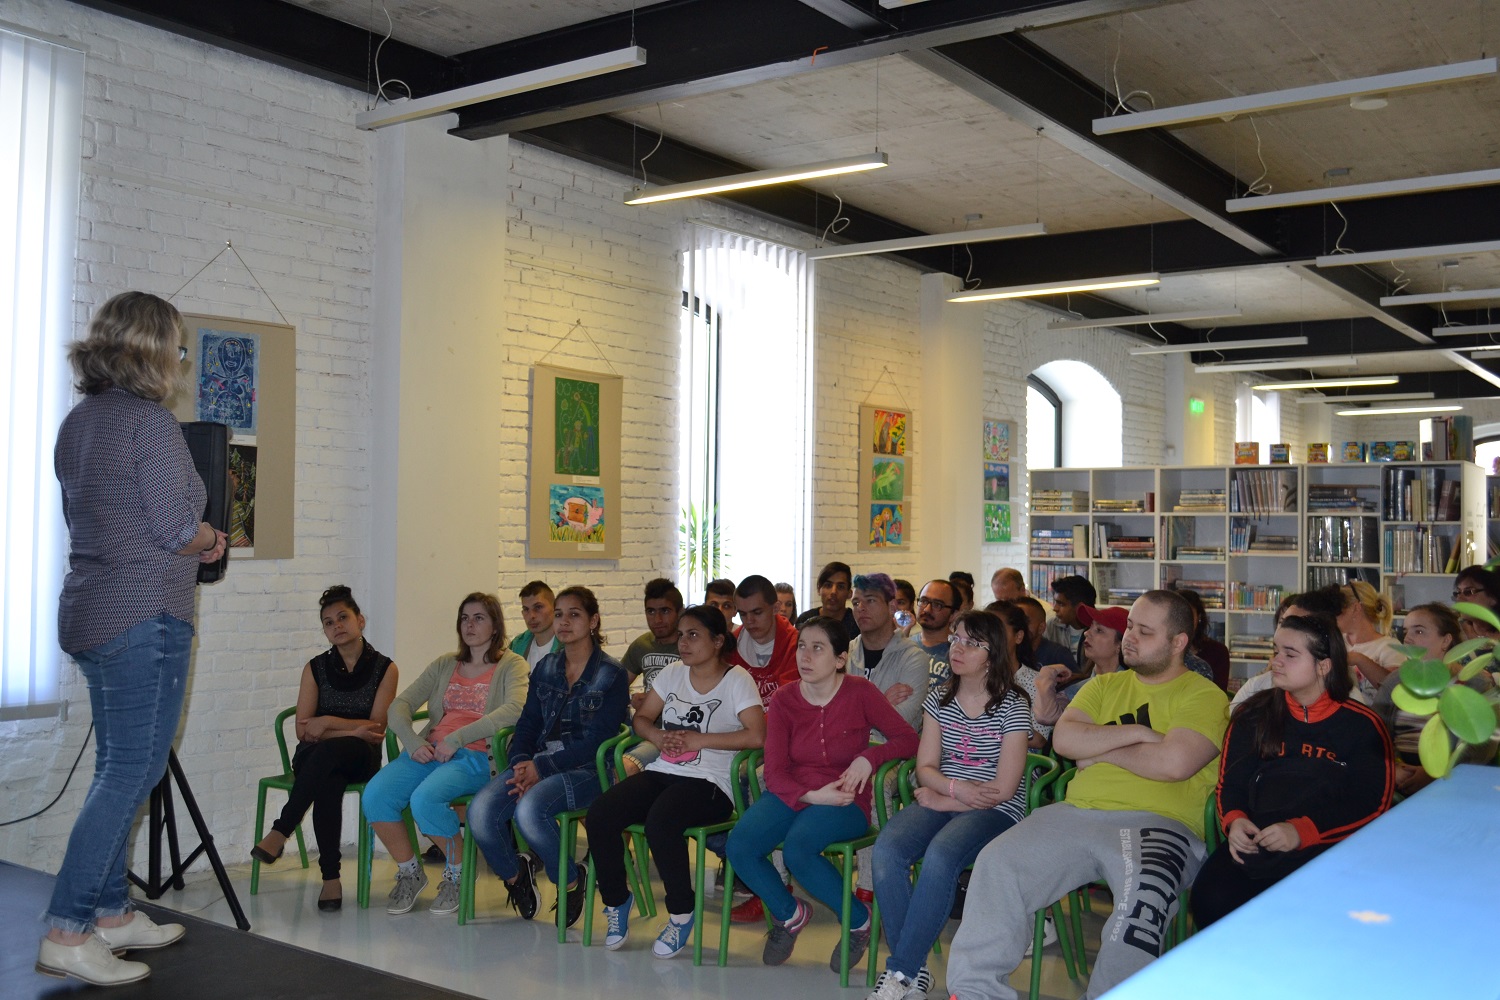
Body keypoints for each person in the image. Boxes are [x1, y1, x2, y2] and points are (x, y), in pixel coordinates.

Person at [39, 292, 228, 986]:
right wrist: (212, 538)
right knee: (129, 774)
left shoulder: (79, 421)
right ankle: (67, 930)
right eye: (176, 345)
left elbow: (99, 517)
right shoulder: (149, 423)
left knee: (117, 767)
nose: (180, 358)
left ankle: (113, 912)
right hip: (143, 615)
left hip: (90, 612)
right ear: (151, 350)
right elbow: (176, 528)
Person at [945, 590, 1229, 1000]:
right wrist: (1140, 734)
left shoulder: (1205, 696)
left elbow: (1174, 764)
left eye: (1145, 631)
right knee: (997, 862)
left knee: (1140, 905)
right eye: (1130, 626)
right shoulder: (1104, 685)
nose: (1130, 637)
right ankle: (974, 992)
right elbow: (1065, 740)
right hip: (1076, 813)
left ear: (1178, 642)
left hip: (1162, 824)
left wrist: (1098, 750)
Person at [725, 617, 919, 969]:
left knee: (799, 849)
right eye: (802, 646)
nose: (805, 656)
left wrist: (868, 758)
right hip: (795, 793)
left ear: (840, 659)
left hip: (846, 795)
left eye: (818, 648)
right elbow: (774, 772)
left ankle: (859, 921)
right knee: (739, 845)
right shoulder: (784, 699)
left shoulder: (860, 692)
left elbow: (908, 740)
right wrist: (812, 795)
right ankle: (789, 913)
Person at [868, 611, 1033, 1000]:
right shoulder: (939, 698)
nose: (957, 648)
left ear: (992, 655)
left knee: (941, 855)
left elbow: (1004, 788)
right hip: (953, 794)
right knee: (887, 849)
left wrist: (946, 799)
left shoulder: (1013, 704)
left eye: (972, 643)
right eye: (956, 639)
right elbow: (925, 768)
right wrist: (954, 790)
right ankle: (914, 970)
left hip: (995, 809)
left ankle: (901, 973)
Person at [1190, 615, 1393, 928]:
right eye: (1276, 651)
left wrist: (1302, 831)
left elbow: (1371, 803)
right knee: (1209, 901)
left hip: (1329, 847)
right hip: (1257, 843)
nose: (1276, 661)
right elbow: (1231, 784)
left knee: (1306, 920)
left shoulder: (1363, 725)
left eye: (1290, 654)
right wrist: (1235, 820)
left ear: (1324, 666)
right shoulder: (1252, 714)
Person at [587, 606, 766, 956]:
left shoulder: (737, 680)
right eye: (682, 635)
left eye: (693, 635)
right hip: (664, 771)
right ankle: (617, 901)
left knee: (661, 821)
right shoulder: (672, 673)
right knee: (601, 814)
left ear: (718, 641)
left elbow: (757, 736)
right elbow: (642, 718)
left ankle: (682, 913)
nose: (683, 642)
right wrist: (656, 735)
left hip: (712, 784)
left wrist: (700, 740)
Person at [467, 586, 629, 926]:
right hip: (538, 763)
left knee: (529, 811)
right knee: (480, 812)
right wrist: (520, 762)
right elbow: (527, 723)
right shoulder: (546, 667)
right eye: (559, 615)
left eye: (574, 615)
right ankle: (517, 877)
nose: (564, 622)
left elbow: (598, 741)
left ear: (593, 621)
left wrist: (540, 767)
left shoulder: (611, 674)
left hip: (588, 769)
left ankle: (570, 882)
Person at [363, 593, 529, 915]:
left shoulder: (512, 664)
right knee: (376, 795)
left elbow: (515, 709)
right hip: (432, 750)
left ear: (495, 626)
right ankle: (411, 872)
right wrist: (413, 742)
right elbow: (399, 705)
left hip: (477, 756)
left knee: (425, 799)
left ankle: (458, 871)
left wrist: (458, 738)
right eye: (464, 618)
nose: (470, 625)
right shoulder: (445, 664)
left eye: (479, 618)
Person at [252, 585, 398, 912]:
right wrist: (352, 729)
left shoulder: (385, 669)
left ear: (360, 620)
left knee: (327, 755)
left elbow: (376, 728)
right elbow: (303, 729)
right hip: (316, 756)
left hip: (361, 756)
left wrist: (328, 722)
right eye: (329, 622)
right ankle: (330, 878)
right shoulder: (315, 668)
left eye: (343, 617)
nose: (337, 626)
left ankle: (281, 830)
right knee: (327, 775)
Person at [1373, 603, 1497, 796]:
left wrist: (1435, 774)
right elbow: (1374, 733)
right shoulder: (1395, 681)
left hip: (1456, 786)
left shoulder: (1476, 683)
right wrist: (1393, 768)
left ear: (1446, 640)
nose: (1408, 639)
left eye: (1419, 631)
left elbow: (1483, 746)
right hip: (1399, 782)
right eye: (1405, 632)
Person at [1231, 587, 1350, 708]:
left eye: (1290, 655)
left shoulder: (1351, 707)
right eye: (1282, 622)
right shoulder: (1255, 690)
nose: (1286, 630)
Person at [847, 574, 936, 734]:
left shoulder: (914, 658)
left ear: (892, 607)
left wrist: (855, 713)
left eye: (870, 600)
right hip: (846, 749)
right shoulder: (843, 654)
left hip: (894, 750)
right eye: (856, 603)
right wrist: (882, 703)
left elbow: (898, 722)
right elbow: (830, 718)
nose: (861, 607)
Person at [620, 579, 686, 775]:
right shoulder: (641, 645)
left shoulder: (690, 647)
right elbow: (615, 687)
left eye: (665, 611)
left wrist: (654, 701)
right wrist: (632, 699)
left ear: (680, 612)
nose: (657, 619)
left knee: (626, 767)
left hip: (677, 734)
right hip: (643, 728)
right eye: (650, 611)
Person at [987, 601, 1066, 748]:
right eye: (984, 631)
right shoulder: (972, 676)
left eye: (998, 631)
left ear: (1018, 636)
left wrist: (982, 728)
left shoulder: (1036, 682)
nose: (989, 638)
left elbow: (1039, 740)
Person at [726, 575, 801, 706]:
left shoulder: (796, 645)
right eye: (743, 614)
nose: (749, 621)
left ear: (775, 608)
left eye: (757, 612)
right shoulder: (731, 645)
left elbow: (790, 702)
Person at [1337, 580, 1404, 691]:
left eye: (1337, 608)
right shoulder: (1335, 642)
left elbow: (1394, 690)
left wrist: (1359, 659)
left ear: (1356, 608)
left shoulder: (1390, 647)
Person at [1060, 604, 1126, 701]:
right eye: (1090, 627)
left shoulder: (1133, 690)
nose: (1086, 633)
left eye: (1099, 630)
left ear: (1120, 645)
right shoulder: (1074, 692)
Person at [1178, 588, 1231, 691]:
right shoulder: (1162, 650)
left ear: (1199, 617)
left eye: (1189, 615)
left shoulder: (1218, 651)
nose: (1183, 621)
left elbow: (1218, 693)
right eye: (1178, 616)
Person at [1045, 575, 1096, 677]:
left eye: (1061, 604)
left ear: (1080, 607)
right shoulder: (1052, 626)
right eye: (1055, 602)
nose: (1055, 608)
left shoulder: (1100, 630)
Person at [1016, 596, 1078, 676]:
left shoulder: (1058, 655)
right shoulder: (1007, 652)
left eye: (1025, 621)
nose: (1019, 626)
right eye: (1015, 621)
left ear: (1041, 628)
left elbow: (1077, 682)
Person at [797, 560, 857, 640]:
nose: (833, 592)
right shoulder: (805, 619)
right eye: (828, 585)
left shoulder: (857, 622)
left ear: (849, 593)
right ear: (819, 589)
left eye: (840, 587)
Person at [509, 580, 561, 672]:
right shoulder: (516, 646)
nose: (531, 615)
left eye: (538, 607)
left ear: (554, 608)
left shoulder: (568, 645)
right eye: (526, 609)